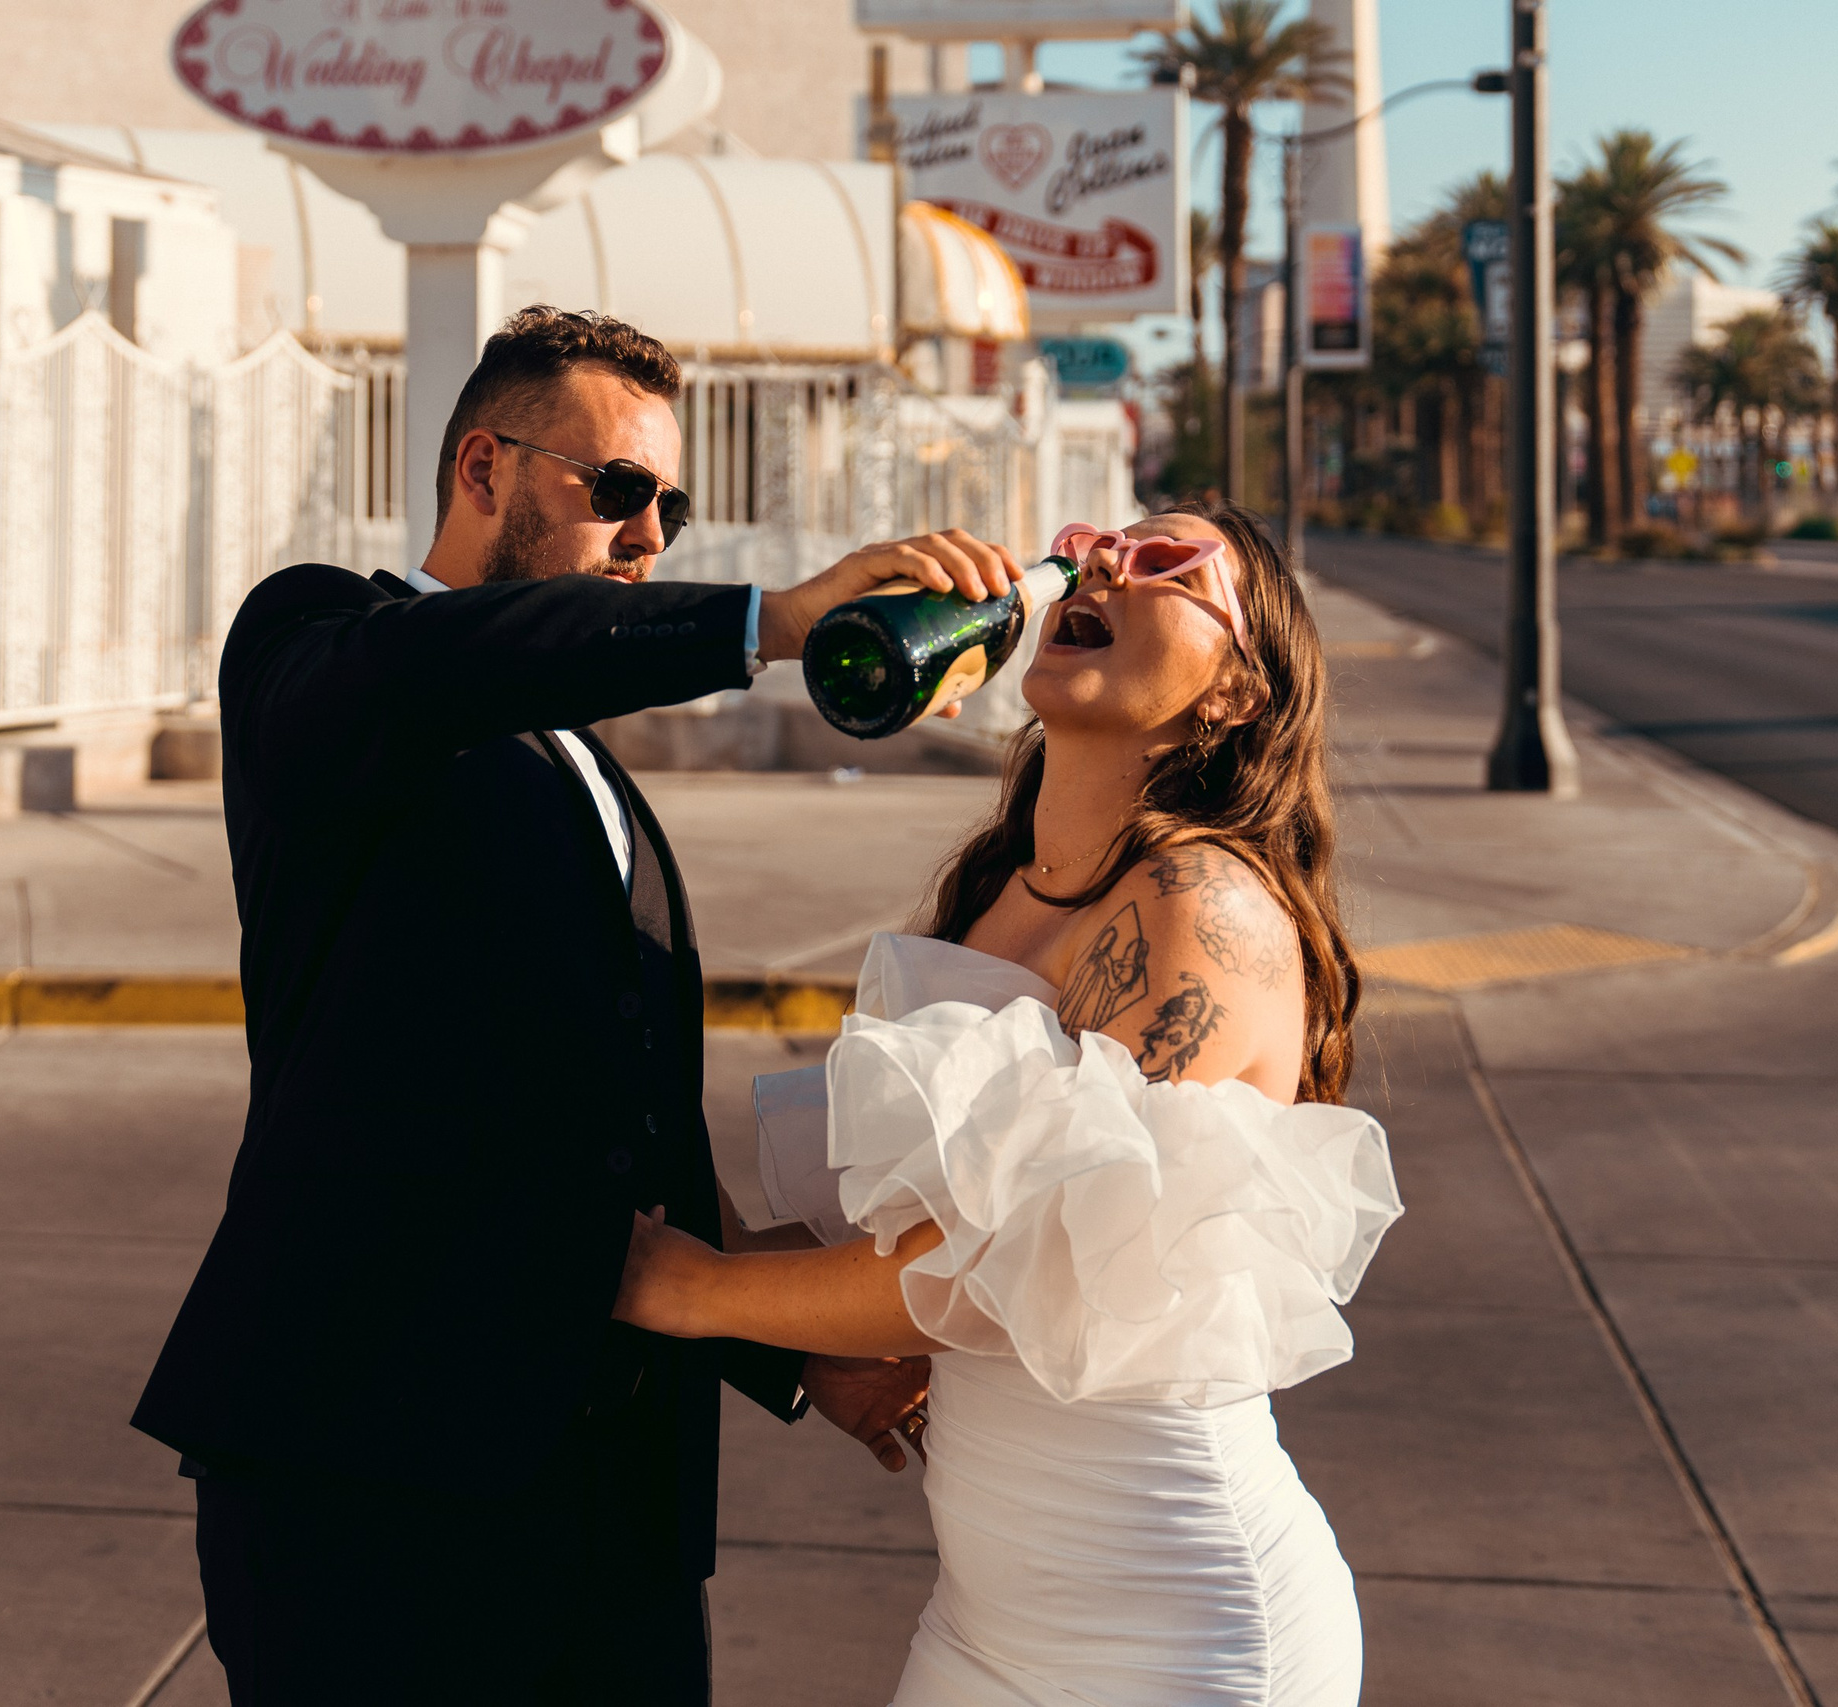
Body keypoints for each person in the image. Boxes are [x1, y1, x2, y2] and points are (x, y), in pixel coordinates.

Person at [130, 305, 1023, 1705]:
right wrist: (772, 620)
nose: (650, 532)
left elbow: (621, 1135)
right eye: (615, 490)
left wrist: (789, 1342)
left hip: (610, 1504)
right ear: (483, 469)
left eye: (670, 500)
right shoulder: (322, 646)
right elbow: (469, 657)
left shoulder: (592, 776)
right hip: (369, 1477)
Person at [615, 499, 1404, 1706]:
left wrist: (696, 1292)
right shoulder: (1005, 889)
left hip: (1179, 1628)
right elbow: (926, 1242)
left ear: (1237, 692)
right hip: (990, 1621)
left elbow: (1020, 1262)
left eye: (1166, 566)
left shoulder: (1200, 902)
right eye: (1096, 545)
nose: (1104, 567)